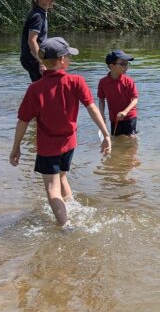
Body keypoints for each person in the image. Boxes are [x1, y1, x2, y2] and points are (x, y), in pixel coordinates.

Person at [10, 37, 111, 226]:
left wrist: (15, 148)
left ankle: (65, 226)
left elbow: (23, 121)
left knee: (51, 187)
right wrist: (105, 134)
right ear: (61, 60)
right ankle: (73, 209)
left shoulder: (35, 89)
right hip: (70, 143)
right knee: (62, 176)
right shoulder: (76, 81)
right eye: (68, 56)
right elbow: (92, 108)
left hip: (48, 147)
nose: (70, 60)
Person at [19, 0, 59, 82]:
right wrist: (41, 62)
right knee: (46, 87)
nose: (53, 0)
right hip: (34, 59)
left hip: (31, 58)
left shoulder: (39, 12)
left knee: (40, 88)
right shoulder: (37, 16)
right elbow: (31, 41)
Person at [98, 50, 139, 136]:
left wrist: (125, 112)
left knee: (130, 139)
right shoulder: (103, 82)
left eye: (127, 64)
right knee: (116, 139)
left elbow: (135, 99)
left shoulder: (129, 81)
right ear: (112, 66)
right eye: (122, 64)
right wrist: (101, 115)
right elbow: (101, 100)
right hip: (114, 118)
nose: (126, 67)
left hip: (129, 116)